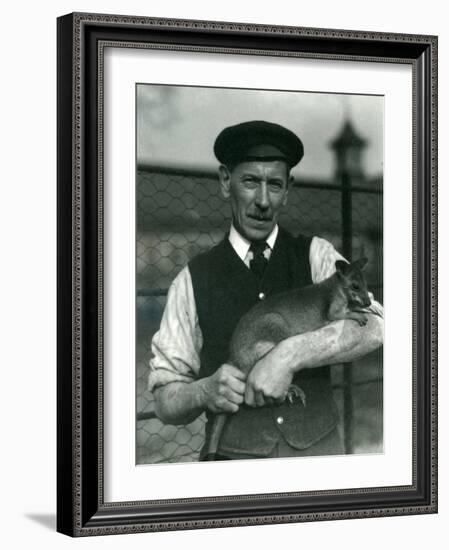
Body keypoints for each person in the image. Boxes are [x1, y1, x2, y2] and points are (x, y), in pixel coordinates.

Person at [148, 120, 383, 460]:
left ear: (288, 190)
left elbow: (377, 326)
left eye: (274, 185)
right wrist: (202, 392)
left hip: (319, 462)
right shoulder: (191, 279)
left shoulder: (318, 255)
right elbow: (164, 401)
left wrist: (287, 356)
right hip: (234, 468)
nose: (262, 200)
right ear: (226, 182)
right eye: (250, 182)